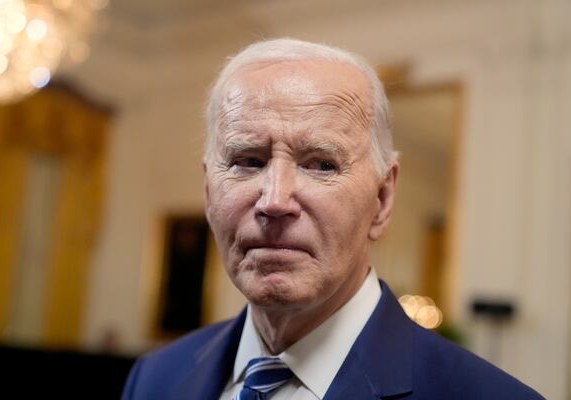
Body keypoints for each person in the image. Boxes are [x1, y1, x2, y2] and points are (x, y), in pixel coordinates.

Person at [122, 38, 543, 399]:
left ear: (382, 198)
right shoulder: (156, 379)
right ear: (210, 191)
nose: (275, 201)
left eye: (321, 165)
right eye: (248, 161)